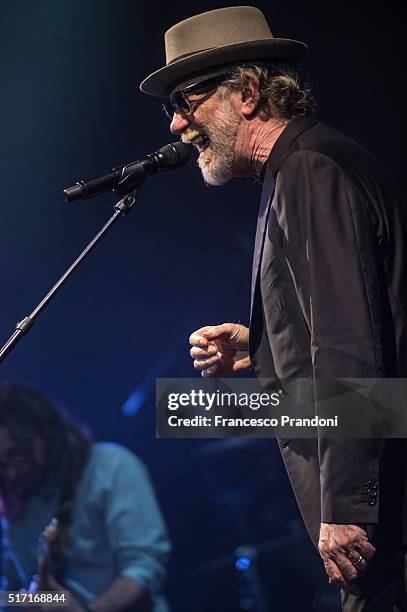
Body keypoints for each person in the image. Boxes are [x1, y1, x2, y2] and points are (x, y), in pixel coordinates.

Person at [139, 6, 407, 611]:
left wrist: (347, 506)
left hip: (382, 515)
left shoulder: (309, 168)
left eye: (188, 100)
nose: (179, 125)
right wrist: (260, 349)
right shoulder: (292, 173)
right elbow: (338, 326)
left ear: (250, 93)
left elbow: (348, 346)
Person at [0, 382, 171, 612]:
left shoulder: (111, 466)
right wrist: (22, 601)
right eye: (1, 464)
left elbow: (144, 570)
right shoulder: (12, 502)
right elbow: (10, 590)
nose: (10, 472)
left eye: (16, 455)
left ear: (43, 434)